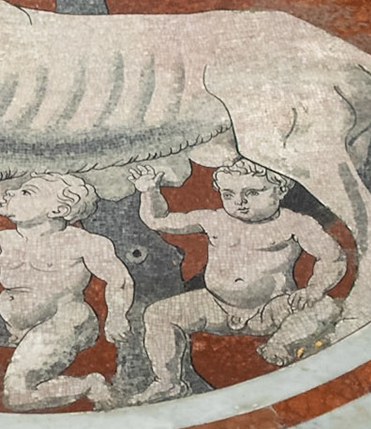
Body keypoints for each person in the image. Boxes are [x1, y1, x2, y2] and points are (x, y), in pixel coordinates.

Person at [127, 159, 347, 403]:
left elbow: (332, 257)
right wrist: (149, 191)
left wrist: (314, 289)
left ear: (280, 190)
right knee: (157, 314)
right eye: (229, 194)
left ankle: (282, 343)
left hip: (272, 308)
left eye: (252, 193)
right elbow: (159, 220)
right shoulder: (214, 218)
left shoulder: (295, 223)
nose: (239, 202)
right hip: (216, 305)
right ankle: (167, 382)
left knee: (326, 306)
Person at [0, 174, 131, 410]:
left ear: (58, 208)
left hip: (62, 324)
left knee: (18, 396)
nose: (10, 193)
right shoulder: (7, 238)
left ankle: (89, 384)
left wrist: (117, 316)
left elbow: (119, 279)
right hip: (11, 324)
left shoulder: (83, 242)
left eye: (27, 192)